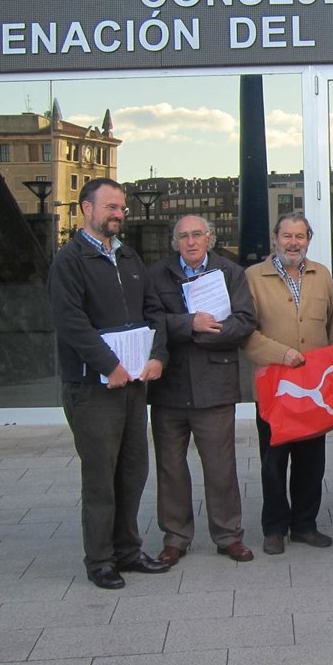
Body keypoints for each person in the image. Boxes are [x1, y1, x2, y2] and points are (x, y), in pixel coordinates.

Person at [47, 177, 171, 590]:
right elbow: (70, 323)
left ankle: (128, 551)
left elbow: (154, 311)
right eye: (111, 207)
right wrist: (109, 365)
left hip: (134, 384)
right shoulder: (70, 260)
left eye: (122, 208)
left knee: (133, 471)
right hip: (92, 388)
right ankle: (100, 560)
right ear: (87, 208)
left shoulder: (130, 257)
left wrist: (158, 356)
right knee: (101, 476)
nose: (119, 214)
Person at [146, 215, 256, 566]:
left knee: (221, 466)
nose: (191, 242)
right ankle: (175, 537)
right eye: (183, 236)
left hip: (215, 384)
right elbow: (151, 320)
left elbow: (245, 320)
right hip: (170, 385)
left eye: (197, 235)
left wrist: (209, 333)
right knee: (170, 467)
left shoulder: (231, 272)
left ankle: (228, 535)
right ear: (174, 242)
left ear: (210, 238)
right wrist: (190, 324)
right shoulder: (156, 275)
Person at [243, 212, 333, 555]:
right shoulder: (253, 277)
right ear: (275, 239)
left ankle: (304, 525)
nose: (293, 243)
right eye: (287, 236)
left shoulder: (322, 275)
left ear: (308, 240)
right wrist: (281, 354)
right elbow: (245, 332)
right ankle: (274, 528)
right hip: (274, 388)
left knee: (311, 462)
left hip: (312, 388)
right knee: (273, 462)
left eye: (300, 236)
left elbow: (330, 326)